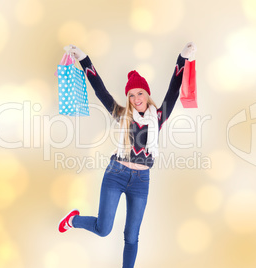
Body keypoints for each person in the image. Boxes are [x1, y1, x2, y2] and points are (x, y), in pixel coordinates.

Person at [58, 42, 197, 268]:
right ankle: (73, 220)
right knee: (103, 229)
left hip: (141, 182)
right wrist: (84, 59)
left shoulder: (158, 117)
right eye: (131, 95)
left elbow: (173, 91)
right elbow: (100, 91)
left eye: (139, 93)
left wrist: (182, 58)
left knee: (132, 236)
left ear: (146, 94)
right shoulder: (122, 116)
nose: (136, 98)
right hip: (116, 174)